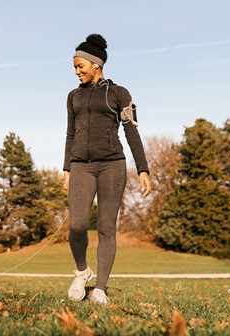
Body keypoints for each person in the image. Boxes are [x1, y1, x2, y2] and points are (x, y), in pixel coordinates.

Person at [63, 33, 152, 305]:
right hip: (81, 166)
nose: (76, 71)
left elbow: (132, 132)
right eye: (75, 67)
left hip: (113, 165)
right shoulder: (73, 96)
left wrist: (143, 169)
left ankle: (100, 287)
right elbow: (70, 133)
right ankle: (82, 272)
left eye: (80, 66)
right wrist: (67, 168)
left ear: (95, 65)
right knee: (77, 225)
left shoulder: (119, 93)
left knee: (105, 228)